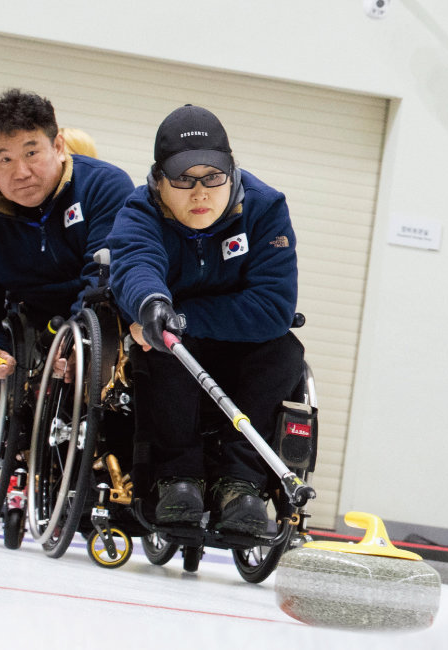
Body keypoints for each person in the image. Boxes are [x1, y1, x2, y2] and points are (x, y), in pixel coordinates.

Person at [108, 104, 304, 535]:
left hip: (245, 343)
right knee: (160, 343)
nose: (200, 193)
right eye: (183, 179)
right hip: (177, 345)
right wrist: (154, 307)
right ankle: (177, 477)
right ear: (158, 181)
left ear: (232, 173)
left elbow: (273, 306)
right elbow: (137, 264)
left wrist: (183, 315)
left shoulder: (265, 208)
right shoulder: (139, 211)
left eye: (212, 177)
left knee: (286, 351)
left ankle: (242, 483)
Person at [0, 88, 135, 379]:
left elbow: (105, 275)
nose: (21, 172)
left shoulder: (103, 187)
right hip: (31, 332)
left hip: (101, 319)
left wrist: (75, 340)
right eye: (5, 160)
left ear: (58, 146)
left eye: (31, 153)